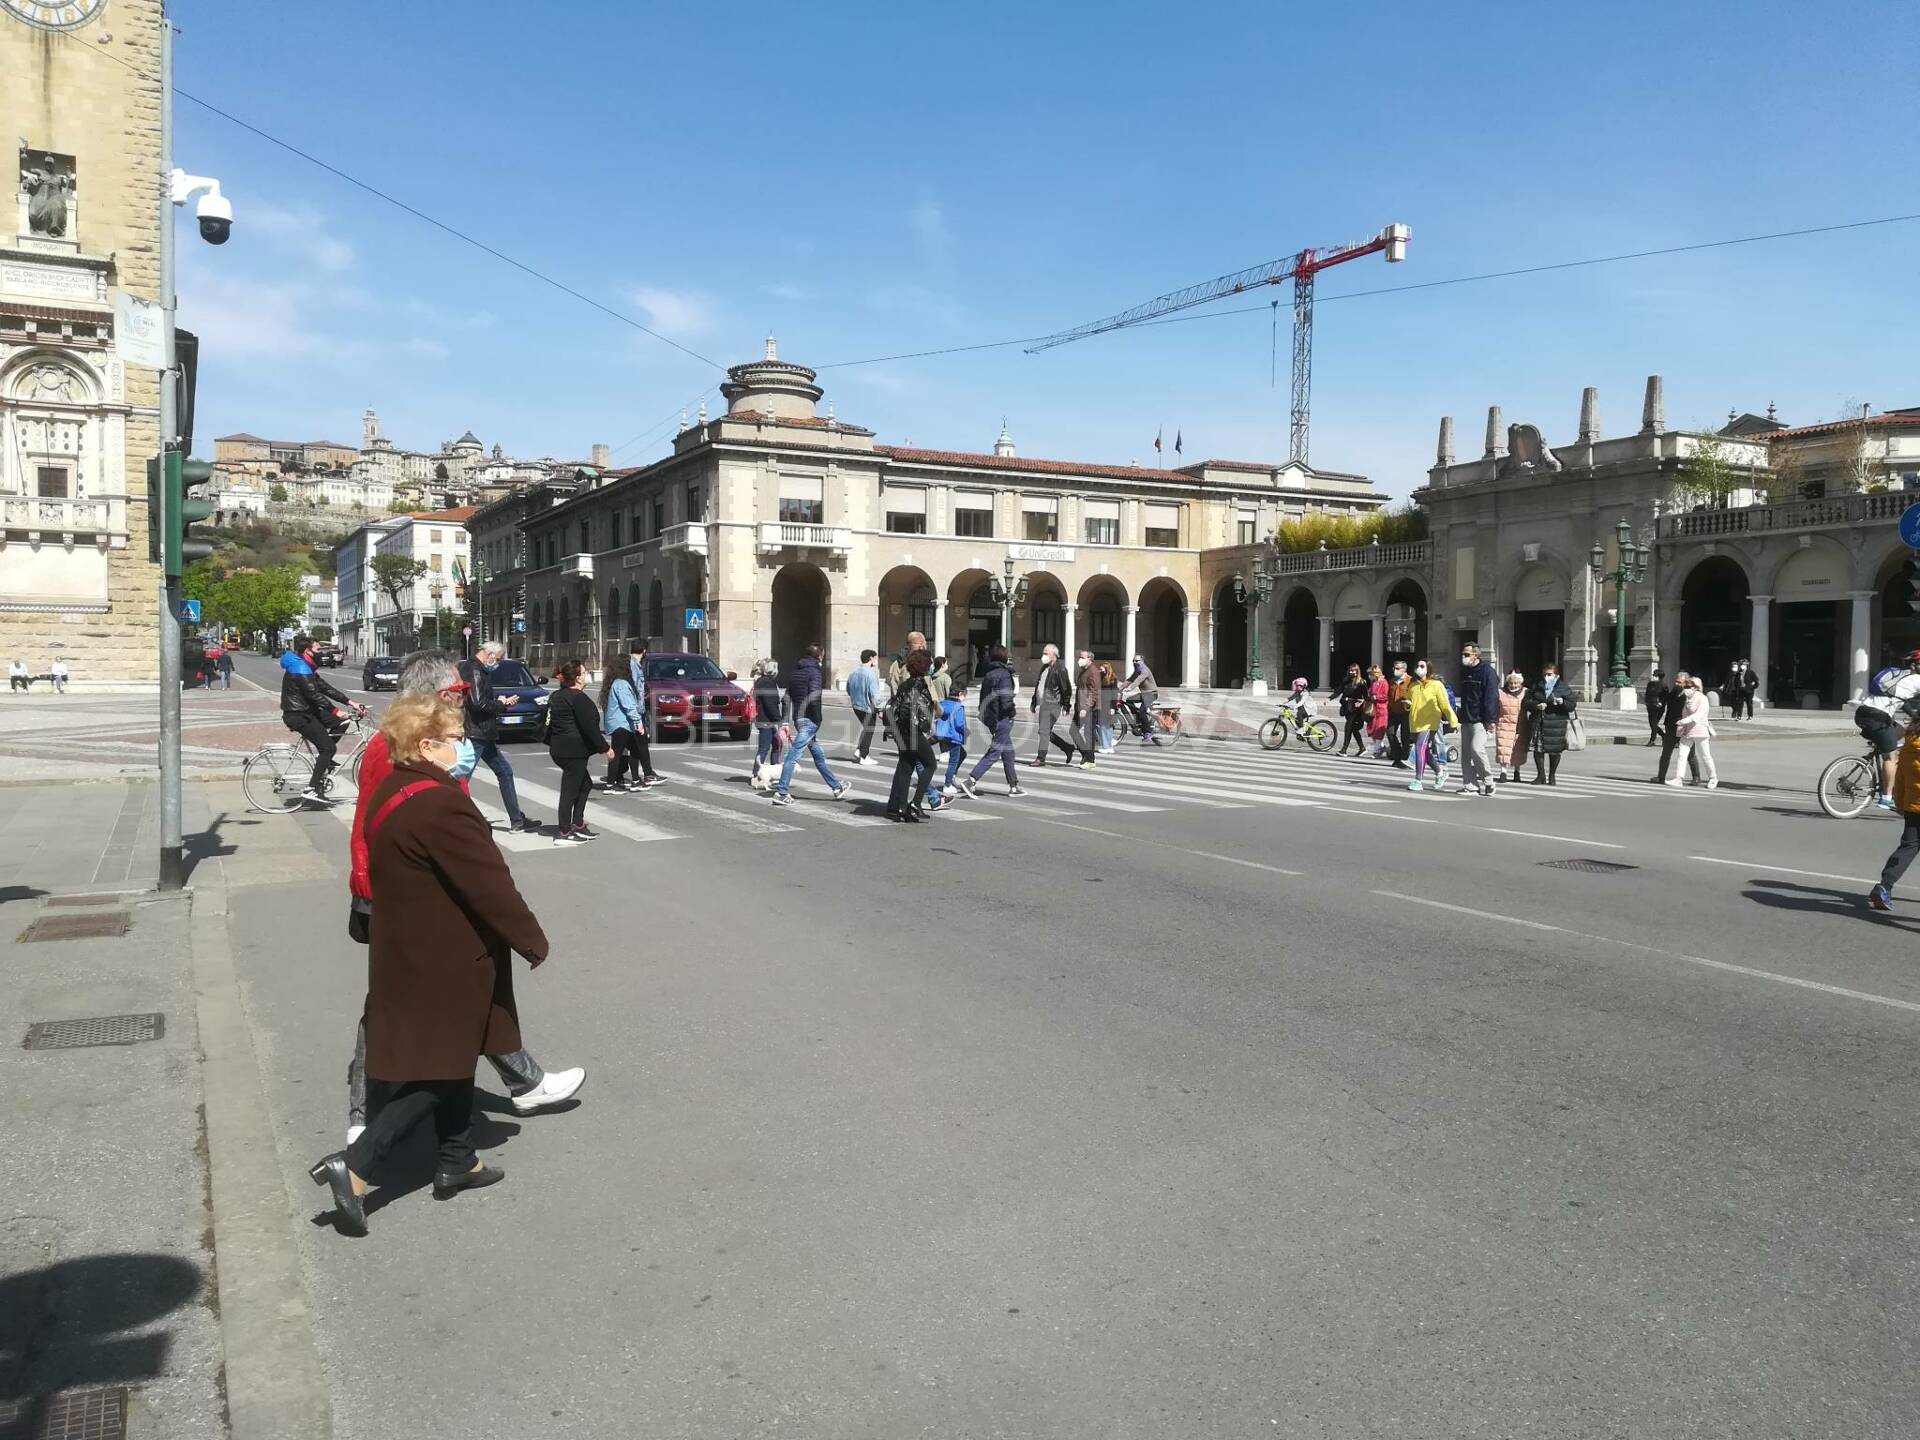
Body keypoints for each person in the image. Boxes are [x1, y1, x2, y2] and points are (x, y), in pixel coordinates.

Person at [309, 691, 553, 1236]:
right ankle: (359, 1166)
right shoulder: (441, 803)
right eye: (456, 740)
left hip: (408, 948)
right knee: (439, 1069)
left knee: (456, 1053)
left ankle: (456, 1160)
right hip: (449, 955)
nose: (464, 747)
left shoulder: (392, 790)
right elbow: (488, 884)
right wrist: (532, 940)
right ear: (427, 745)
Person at [344, 648, 580, 1146]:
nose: (462, 699)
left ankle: (520, 1083)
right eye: (454, 692)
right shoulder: (399, 755)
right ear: (430, 698)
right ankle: (369, 1120)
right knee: (397, 1007)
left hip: (405, 886)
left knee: (456, 989)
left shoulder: (403, 748)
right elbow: (403, 830)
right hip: (404, 893)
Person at [455, 641, 541, 833]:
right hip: (477, 732)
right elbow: (478, 704)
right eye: (499, 658)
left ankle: (517, 820)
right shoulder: (474, 670)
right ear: (490, 654)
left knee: (504, 772)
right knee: (461, 779)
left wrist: (500, 702)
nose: (499, 663)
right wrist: (501, 704)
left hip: (482, 732)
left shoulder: (475, 668)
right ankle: (451, 819)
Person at [279, 634, 362, 804]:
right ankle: (311, 788)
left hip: (307, 711)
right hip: (298, 715)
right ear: (308, 651)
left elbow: (324, 688)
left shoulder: (306, 666)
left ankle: (325, 761)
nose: (320, 652)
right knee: (328, 748)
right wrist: (335, 710)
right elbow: (314, 694)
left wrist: (349, 701)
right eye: (317, 649)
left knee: (343, 722)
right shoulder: (300, 668)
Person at [773, 643, 851, 807]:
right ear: (820, 656)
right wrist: (818, 719)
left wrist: (785, 721)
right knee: (792, 757)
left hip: (798, 719)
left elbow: (786, 698)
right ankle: (781, 792)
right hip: (809, 720)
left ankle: (836, 787)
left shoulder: (796, 672)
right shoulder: (815, 672)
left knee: (818, 756)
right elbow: (814, 697)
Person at [544, 659, 611, 845]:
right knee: (569, 791)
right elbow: (589, 727)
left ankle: (578, 823)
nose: (587, 673)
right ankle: (564, 832)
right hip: (573, 751)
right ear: (578, 678)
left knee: (585, 784)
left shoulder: (558, 695)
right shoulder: (577, 697)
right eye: (584, 671)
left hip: (559, 749)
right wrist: (606, 748)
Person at [1867, 710, 1920, 910]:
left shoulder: (1910, 743)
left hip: (1913, 805)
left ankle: (1884, 886)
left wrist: (1899, 802)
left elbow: (1900, 775)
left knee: (1909, 846)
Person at [962, 645, 1022, 797]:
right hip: (1003, 718)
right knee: (995, 752)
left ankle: (1013, 785)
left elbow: (984, 699)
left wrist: (988, 718)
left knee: (1008, 751)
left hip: (992, 718)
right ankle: (971, 780)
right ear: (1004, 657)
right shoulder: (1004, 675)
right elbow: (1006, 698)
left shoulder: (988, 674)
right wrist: (1011, 712)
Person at [885, 648, 938, 821]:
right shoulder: (919, 685)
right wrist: (926, 723)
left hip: (901, 730)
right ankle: (915, 803)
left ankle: (899, 808)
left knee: (906, 766)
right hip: (912, 730)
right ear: (924, 666)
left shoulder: (905, 685)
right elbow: (914, 709)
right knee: (930, 764)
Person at [1403, 660, 1457, 792]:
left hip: (1430, 723)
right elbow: (1409, 702)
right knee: (1424, 752)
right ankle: (1439, 772)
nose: (1419, 668)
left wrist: (1453, 721)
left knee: (1419, 748)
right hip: (1415, 722)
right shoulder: (1413, 685)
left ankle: (1418, 780)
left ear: (1428, 669)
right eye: (1417, 666)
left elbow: (1445, 704)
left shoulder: (1436, 685)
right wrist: (1407, 704)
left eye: (1422, 666)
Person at [1455, 643, 1500, 796]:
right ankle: (1470, 785)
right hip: (1466, 717)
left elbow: (1491, 697)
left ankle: (1488, 781)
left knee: (1477, 749)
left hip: (1480, 719)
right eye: (1463, 654)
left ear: (1476, 655)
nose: (1464, 657)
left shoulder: (1487, 672)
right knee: (1466, 755)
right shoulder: (1465, 671)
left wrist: (1491, 720)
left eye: (1467, 654)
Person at [600, 652, 646, 792]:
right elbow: (628, 705)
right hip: (622, 724)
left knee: (633, 750)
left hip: (621, 724)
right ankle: (610, 784)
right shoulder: (621, 683)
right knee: (617, 754)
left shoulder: (616, 682)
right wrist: (638, 722)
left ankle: (635, 781)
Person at [1663, 674, 1719, 788]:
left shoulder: (1702, 698)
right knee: (1682, 755)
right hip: (1687, 732)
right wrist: (1681, 728)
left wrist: (1683, 721)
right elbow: (1684, 712)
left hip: (1700, 731)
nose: (1686, 689)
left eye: (1688, 687)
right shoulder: (1687, 698)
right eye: (1686, 686)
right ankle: (1678, 778)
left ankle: (1713, 778)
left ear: (1695, 687)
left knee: (1705, 755)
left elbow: (1699, 715)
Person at [1526, 662, 1578, 785]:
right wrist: (1536, 705)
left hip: (1556, 723)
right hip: (1540, 720)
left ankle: (1552, 776)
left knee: (1555, 751)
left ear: (1556, 675)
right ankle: (1540, 776)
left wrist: (1562, 702)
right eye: (1545, 674)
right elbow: (1527, 702)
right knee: (1538, 750)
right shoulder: (1536, 685)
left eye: (1549, 674)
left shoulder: (1563, 687)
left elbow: (1571, 705)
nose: (1546, 677)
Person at [620, 642, 662, 787]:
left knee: (636, 744)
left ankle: (639, 775)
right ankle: (645, 775)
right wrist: (636, 715)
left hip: (636, 709)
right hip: (635, 711)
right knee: (639, 744)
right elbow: (632, 689)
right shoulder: (634, 665)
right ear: (644, 651)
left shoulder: (631, 664)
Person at [1030, 643, 1077, 765]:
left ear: (1054, 655)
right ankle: (1067, 747)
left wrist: (1066, 705)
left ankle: (1041, 758)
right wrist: (1034, 701)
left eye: (1046, 653)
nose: (1043, 655)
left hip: (1053, 704)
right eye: (1043, 653)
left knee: (1044, 731)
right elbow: (1039, 685)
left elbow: (1066, 689)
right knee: (1044, 731)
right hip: (1043, 704)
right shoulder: (1044, 667)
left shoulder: (1060, 669)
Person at [1654, 671, 1701, 787]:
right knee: (1666, 752)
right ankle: (1661, 776)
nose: (1676, 683)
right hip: (1670, 726)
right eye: (1676, 681)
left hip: (1684, 727)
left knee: (1690, 754)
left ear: (1686, 683)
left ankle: (1696, 777)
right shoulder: (1673, 692)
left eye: (1679, 682)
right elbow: (1665, 701)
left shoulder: (1689, 696)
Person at [749, 659, 786, 791]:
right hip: (767, 720)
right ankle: (756, 776)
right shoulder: (768, 683)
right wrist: (778, 720)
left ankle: (774, 773)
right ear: (773, 670)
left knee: (775, 745)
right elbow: (770, 704)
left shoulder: (761, 681)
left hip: (763, 719)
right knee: (765, 748)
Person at [847, 648, 882, 766]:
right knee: (869, 729)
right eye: (875, 658)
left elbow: (848, 688)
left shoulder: (853, 672)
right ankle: (864, 756)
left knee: (865, 727)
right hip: (868, 707)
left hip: (856, 705)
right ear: (871, 658)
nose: (876, 660)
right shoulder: (871, 674)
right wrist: (880, 708)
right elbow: (875, 695)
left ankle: (858, 750)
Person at [936, 677, 969, 796]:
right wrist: (965, 731)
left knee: (963, 754)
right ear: (960, 694)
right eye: (964, 695)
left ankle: (952, 776)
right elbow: (960, 724)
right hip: (954, 737)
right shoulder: (958, 707)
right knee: (953, 761)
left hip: (943, 736)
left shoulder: (943, 703)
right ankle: (948, 784)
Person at [1493, 670, 1528, 782]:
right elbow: (1495, 708)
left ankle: (1517, 772)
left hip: (1520, 725)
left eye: (1516, 683)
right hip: (1504, 724)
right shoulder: (1500, 692)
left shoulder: (1526, 692)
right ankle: (1503, 772)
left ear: (1520, 683)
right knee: (1503, 749)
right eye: (1511, 683)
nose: (1513, 685)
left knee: (1518, 750)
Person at [1070, 650, 1101, 769]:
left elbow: (1094, 692)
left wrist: (1086, 707)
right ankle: (1085, 755)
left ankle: (1090, 760)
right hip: (1080, 707)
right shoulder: (1083, 671)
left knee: (1089, 734)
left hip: (1089, 709)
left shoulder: (1093, 671)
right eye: (1080, 657)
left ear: (1089, 659)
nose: (1080, 659)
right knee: (1073, 731)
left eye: (1082, 657)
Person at [1120, 655, 1159, 743]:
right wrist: (1120, 688)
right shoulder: (1137, 671)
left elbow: (1138, 680)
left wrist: (1131, 688)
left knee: (1142, 711)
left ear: (1142, 661)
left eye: (1137, 661)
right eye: (1133, 661)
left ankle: (1148, 732)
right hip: (1144, 694)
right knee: (1129, 700)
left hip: (1151, 693)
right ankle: (1138, 719)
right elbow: (1130, 680)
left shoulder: (1145, 670)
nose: (1134, 662)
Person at [1336, 663, 1370, 757]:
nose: (1351, 672)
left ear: (1357, 671)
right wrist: (1329, 699)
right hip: (1347, 707)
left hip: (1356, 708)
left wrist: (1362, 701)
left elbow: (1366, 696)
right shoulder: (1346, 681)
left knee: (1348, 727)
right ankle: (1362, 748)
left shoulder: (1361, 682)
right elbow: (1339, 690)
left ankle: (1344, 750)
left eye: (1353, 670)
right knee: (1353, 729)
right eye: (1350, 670)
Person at [1386, 661, 1412, 767]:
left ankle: (1404, 759)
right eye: (1394, 668)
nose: (1395, 670)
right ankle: (1397, 756)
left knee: (1405, 737)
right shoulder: (1392, 681)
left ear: (1404, 669)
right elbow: (1389, 695)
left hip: (1406, 712)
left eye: (1397, 668)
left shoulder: (1410, 681)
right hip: (1393, 712)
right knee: (1390, 733)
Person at [1366, 665, 1390, 758]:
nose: (1369, 676)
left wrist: (1378, 697)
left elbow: (1386, 695)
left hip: (1382, 709)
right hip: (1374, 709)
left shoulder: (1384, 682)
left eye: (1370, 674)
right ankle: (1381, 747)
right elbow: (1370, 692)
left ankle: (1377, 751)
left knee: (1379, 730)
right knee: (1372, 729)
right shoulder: (1374, 682)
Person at [1096, 661, 1119, 753]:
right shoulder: (1100, 678)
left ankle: (1107, 746)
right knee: (1105, 726)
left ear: (1106, 669)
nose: (1100, 670)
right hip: (1101, 704)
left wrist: (1113, 707)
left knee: (1105, 726)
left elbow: (1114, 694)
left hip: (1108, 705)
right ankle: (1108, 745)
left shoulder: (1112, 679)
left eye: (1101, 669)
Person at [1643, 669, 1667, 746]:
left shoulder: (1663, 685)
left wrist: (1661, 703)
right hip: (1650, 706)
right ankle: (1664, 736)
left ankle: (1652, 740)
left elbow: (1665, 696)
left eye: (1655, 675)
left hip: (1658, 708)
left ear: (1659, 677)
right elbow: (1647, 694)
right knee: (1652, 724)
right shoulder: (1650, 684)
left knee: (1654, 724)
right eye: (1653, 675)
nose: (1653, 677)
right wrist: (1646, 702)